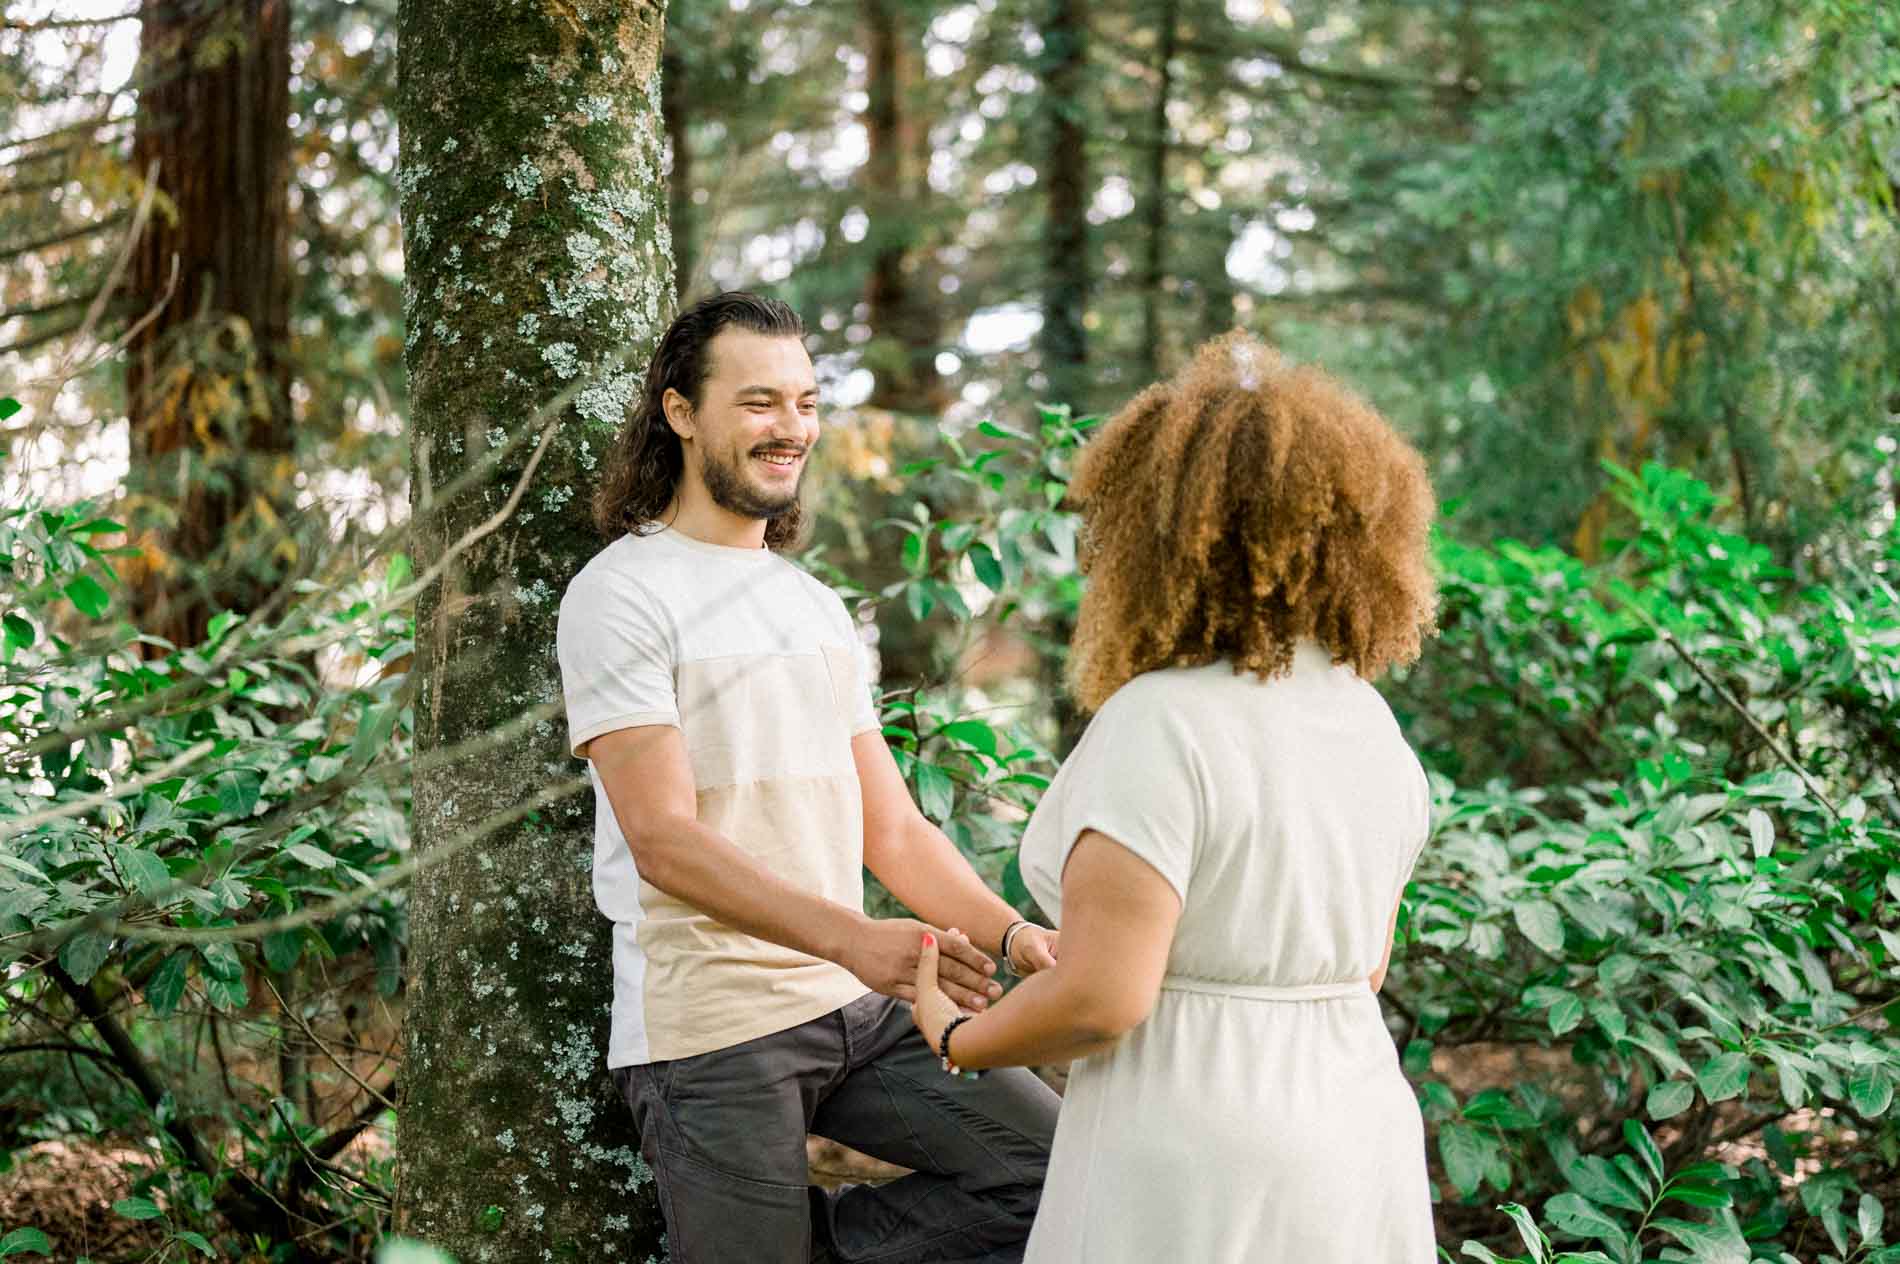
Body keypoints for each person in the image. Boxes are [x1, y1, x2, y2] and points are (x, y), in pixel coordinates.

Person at [910, 333, 1441, 1262]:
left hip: (1196, 1146)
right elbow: (1357, 969)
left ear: (1161, 539)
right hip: (1355, 1131)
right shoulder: (1369, 725)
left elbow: (1105, 1000)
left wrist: (960, 1034)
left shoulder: (1161, 722)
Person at [556, 291, 1061, 1263]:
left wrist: (1010, 932)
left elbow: (895, 832)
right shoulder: (619, 593)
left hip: (861, 1008)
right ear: (680, 411)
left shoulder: (815, 606)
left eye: (803, 401)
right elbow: (661, 839)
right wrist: (858, 941)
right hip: (709, 1029)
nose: (789, 427)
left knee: (1052, 1173)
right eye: (757, 402)